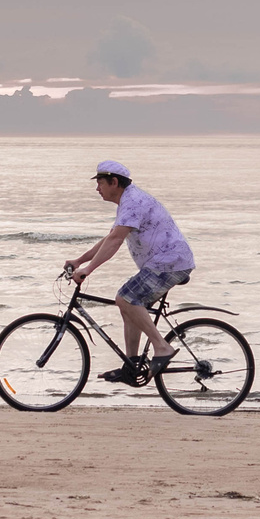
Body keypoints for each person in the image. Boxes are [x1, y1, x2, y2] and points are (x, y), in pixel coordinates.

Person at [66, 161, 194, 386]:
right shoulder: (128, 202)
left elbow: (115, 241)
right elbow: (110, 238)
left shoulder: (133, 202)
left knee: (125, 298)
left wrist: (88, 270)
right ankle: (132, 365)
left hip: (169, 263)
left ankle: (162, 347)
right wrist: (79, 261)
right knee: (130, 304)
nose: (97, 188)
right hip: (165, 263)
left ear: (114, 182)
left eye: (100, 183)